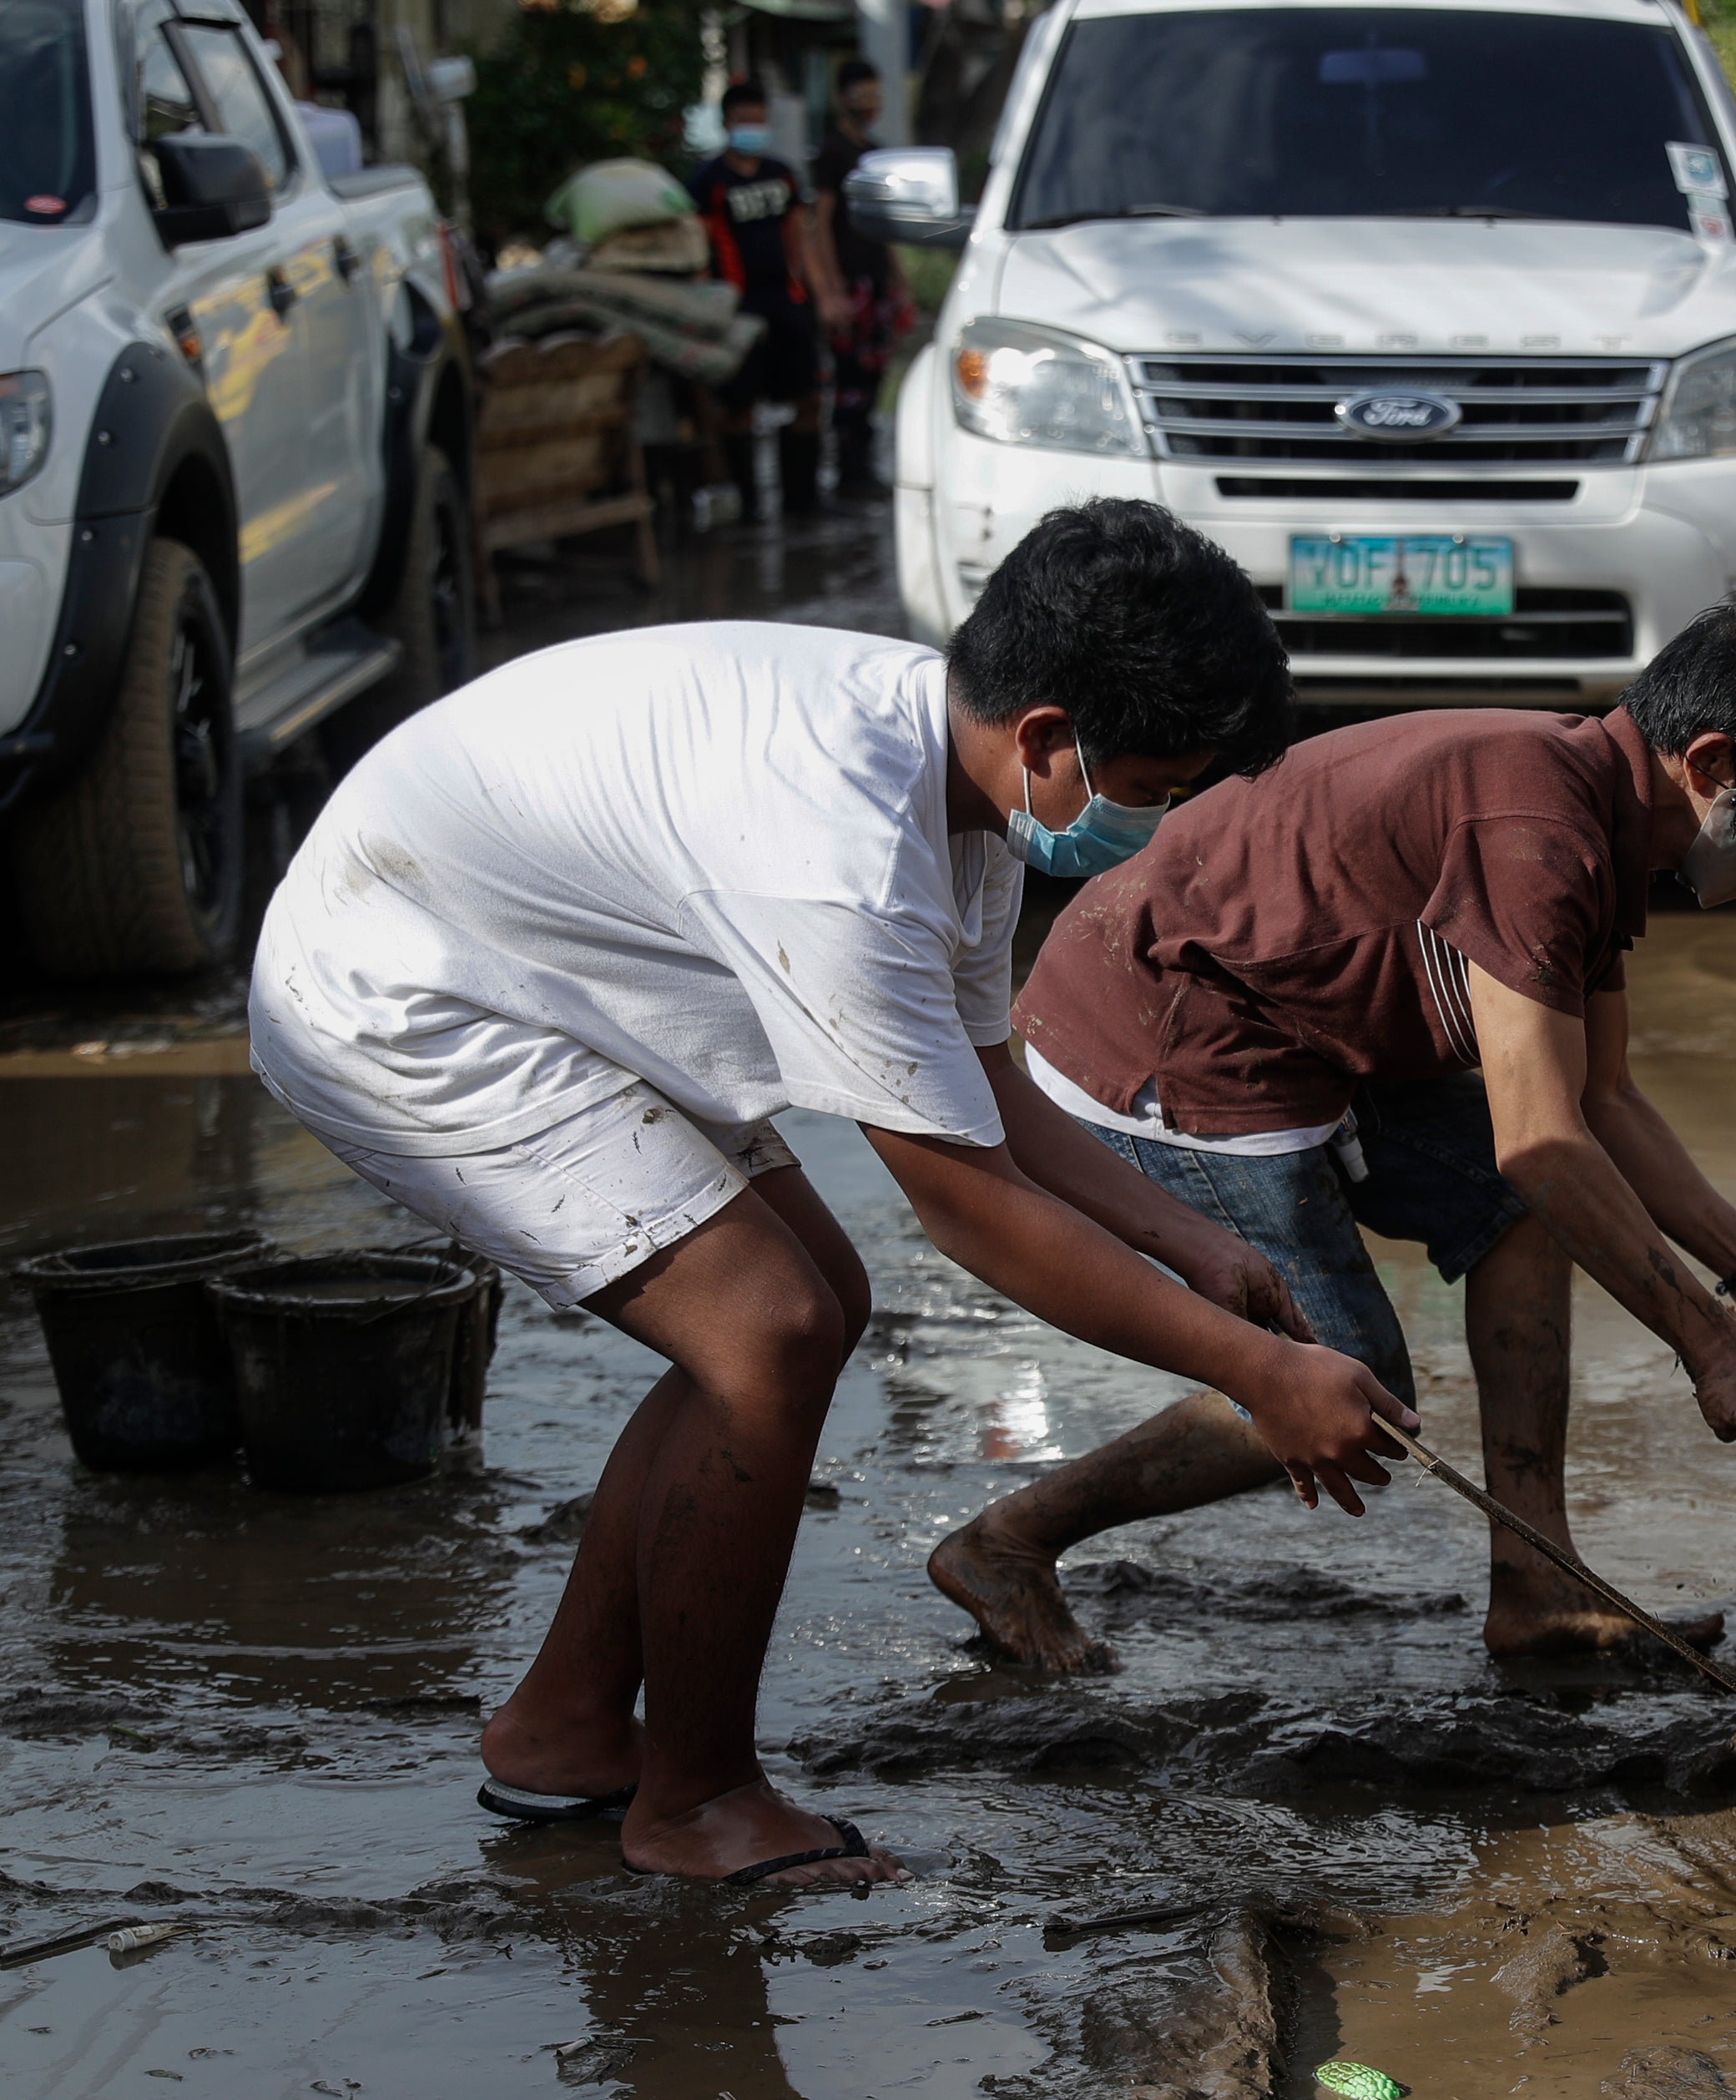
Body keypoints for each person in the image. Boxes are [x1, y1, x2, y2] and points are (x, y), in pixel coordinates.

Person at [246, 502, 1409, 1885]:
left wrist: (1189, 1240)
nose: (1151, 825)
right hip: (402, 986)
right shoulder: (844, 849)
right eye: (1151, 789)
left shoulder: (958, 801)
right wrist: (1256, 1371)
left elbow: (997, 1104)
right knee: (766, 1328)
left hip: (524, 948)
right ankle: (693, 1802)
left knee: (807, 1304)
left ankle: (564, 1725)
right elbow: (964, 1201)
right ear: (1047, 737)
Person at [930, 595, 1736, 1671]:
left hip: (1300, 1029)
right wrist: (1712, 1348)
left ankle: (1538, 1577)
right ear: (1711, 764)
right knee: (1347, 1377)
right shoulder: (1539, 829)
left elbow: (1602, 1101)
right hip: (1163, 1032)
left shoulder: (1593, 813)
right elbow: (1545, 1137)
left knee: (1513, 1209)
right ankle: (1007, 1541)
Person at [689, 80, 850, 517]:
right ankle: (750, 508)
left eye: (759, 120)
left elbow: (805, 241)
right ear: (726, 124)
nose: (753, 129)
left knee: (809, 399)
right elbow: (700, 254)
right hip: (737, 311)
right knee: (740, 409)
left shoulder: (781, 175)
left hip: (787, 303)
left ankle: (803, 504)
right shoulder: (709, 183)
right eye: (745, 121)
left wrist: (827, 298)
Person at [809, 57, 915, 502]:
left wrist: (898, 279)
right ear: (842, 99)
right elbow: (819, 224)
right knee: (850, 379)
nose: (869, 105)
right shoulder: (831, 154)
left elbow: (882, 225)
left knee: (872, 379)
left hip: (875, 283)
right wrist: (832, 290)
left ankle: (861, 468)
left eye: (874, 96)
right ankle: (848, 472)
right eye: (861, 97)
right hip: (850, 284)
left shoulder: (872, 152)